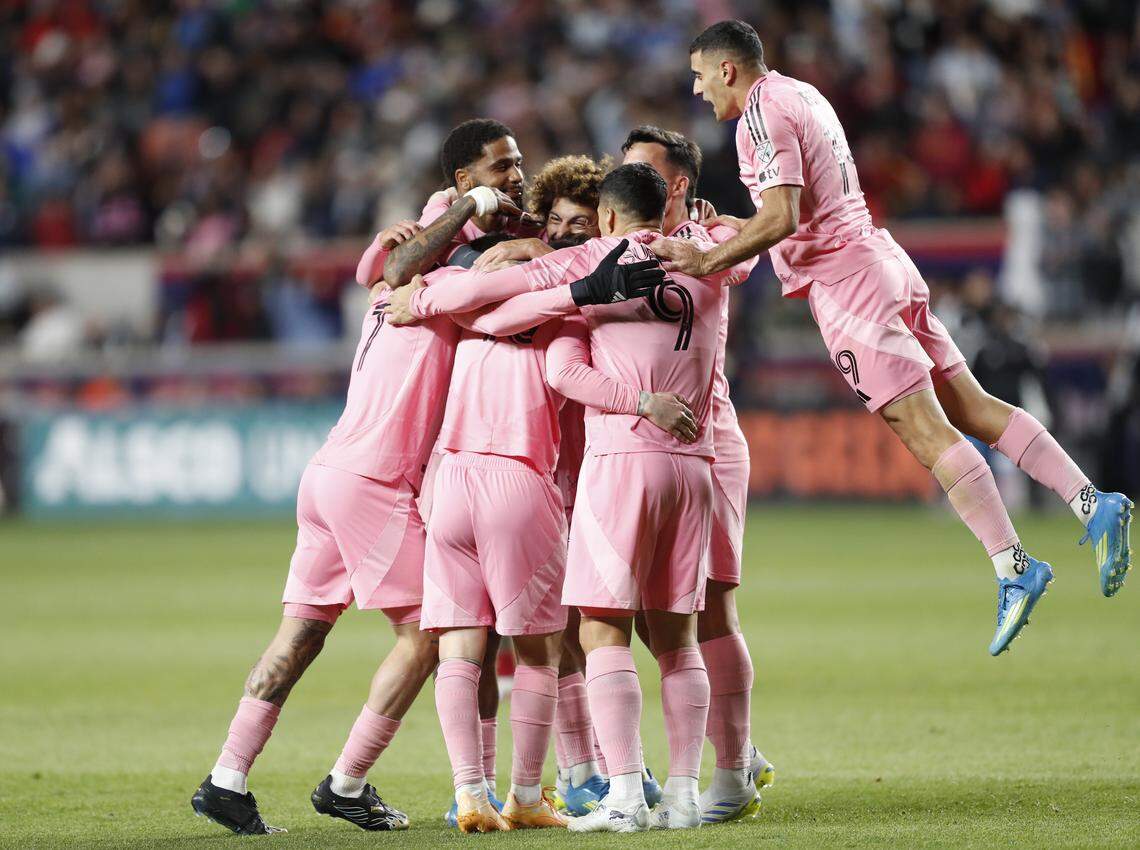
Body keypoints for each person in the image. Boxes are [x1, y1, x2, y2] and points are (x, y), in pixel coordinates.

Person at [651, 20, 1132, 655]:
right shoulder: (804, 94)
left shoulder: (756, 117)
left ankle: (1015, 568)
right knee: (972, 406)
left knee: (928, 433)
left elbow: (784, 216)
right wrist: (743, 225)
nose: (696, 88)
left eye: (699, 74)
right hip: (882, 258)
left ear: (728, 70)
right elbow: (802, 210)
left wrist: (704, 260)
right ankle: (1091, 502)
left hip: (849, 287)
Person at [621, 124, 774, 823]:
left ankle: (734, 770)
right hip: (630, 449)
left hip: (704, 442)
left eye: (643, 172)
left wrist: (707, 240)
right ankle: (734, 743)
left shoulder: (718, 239)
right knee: (649, 618)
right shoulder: (617, 241)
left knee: (708, 608)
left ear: (677, 185)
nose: (626, 186)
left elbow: (743, 252)